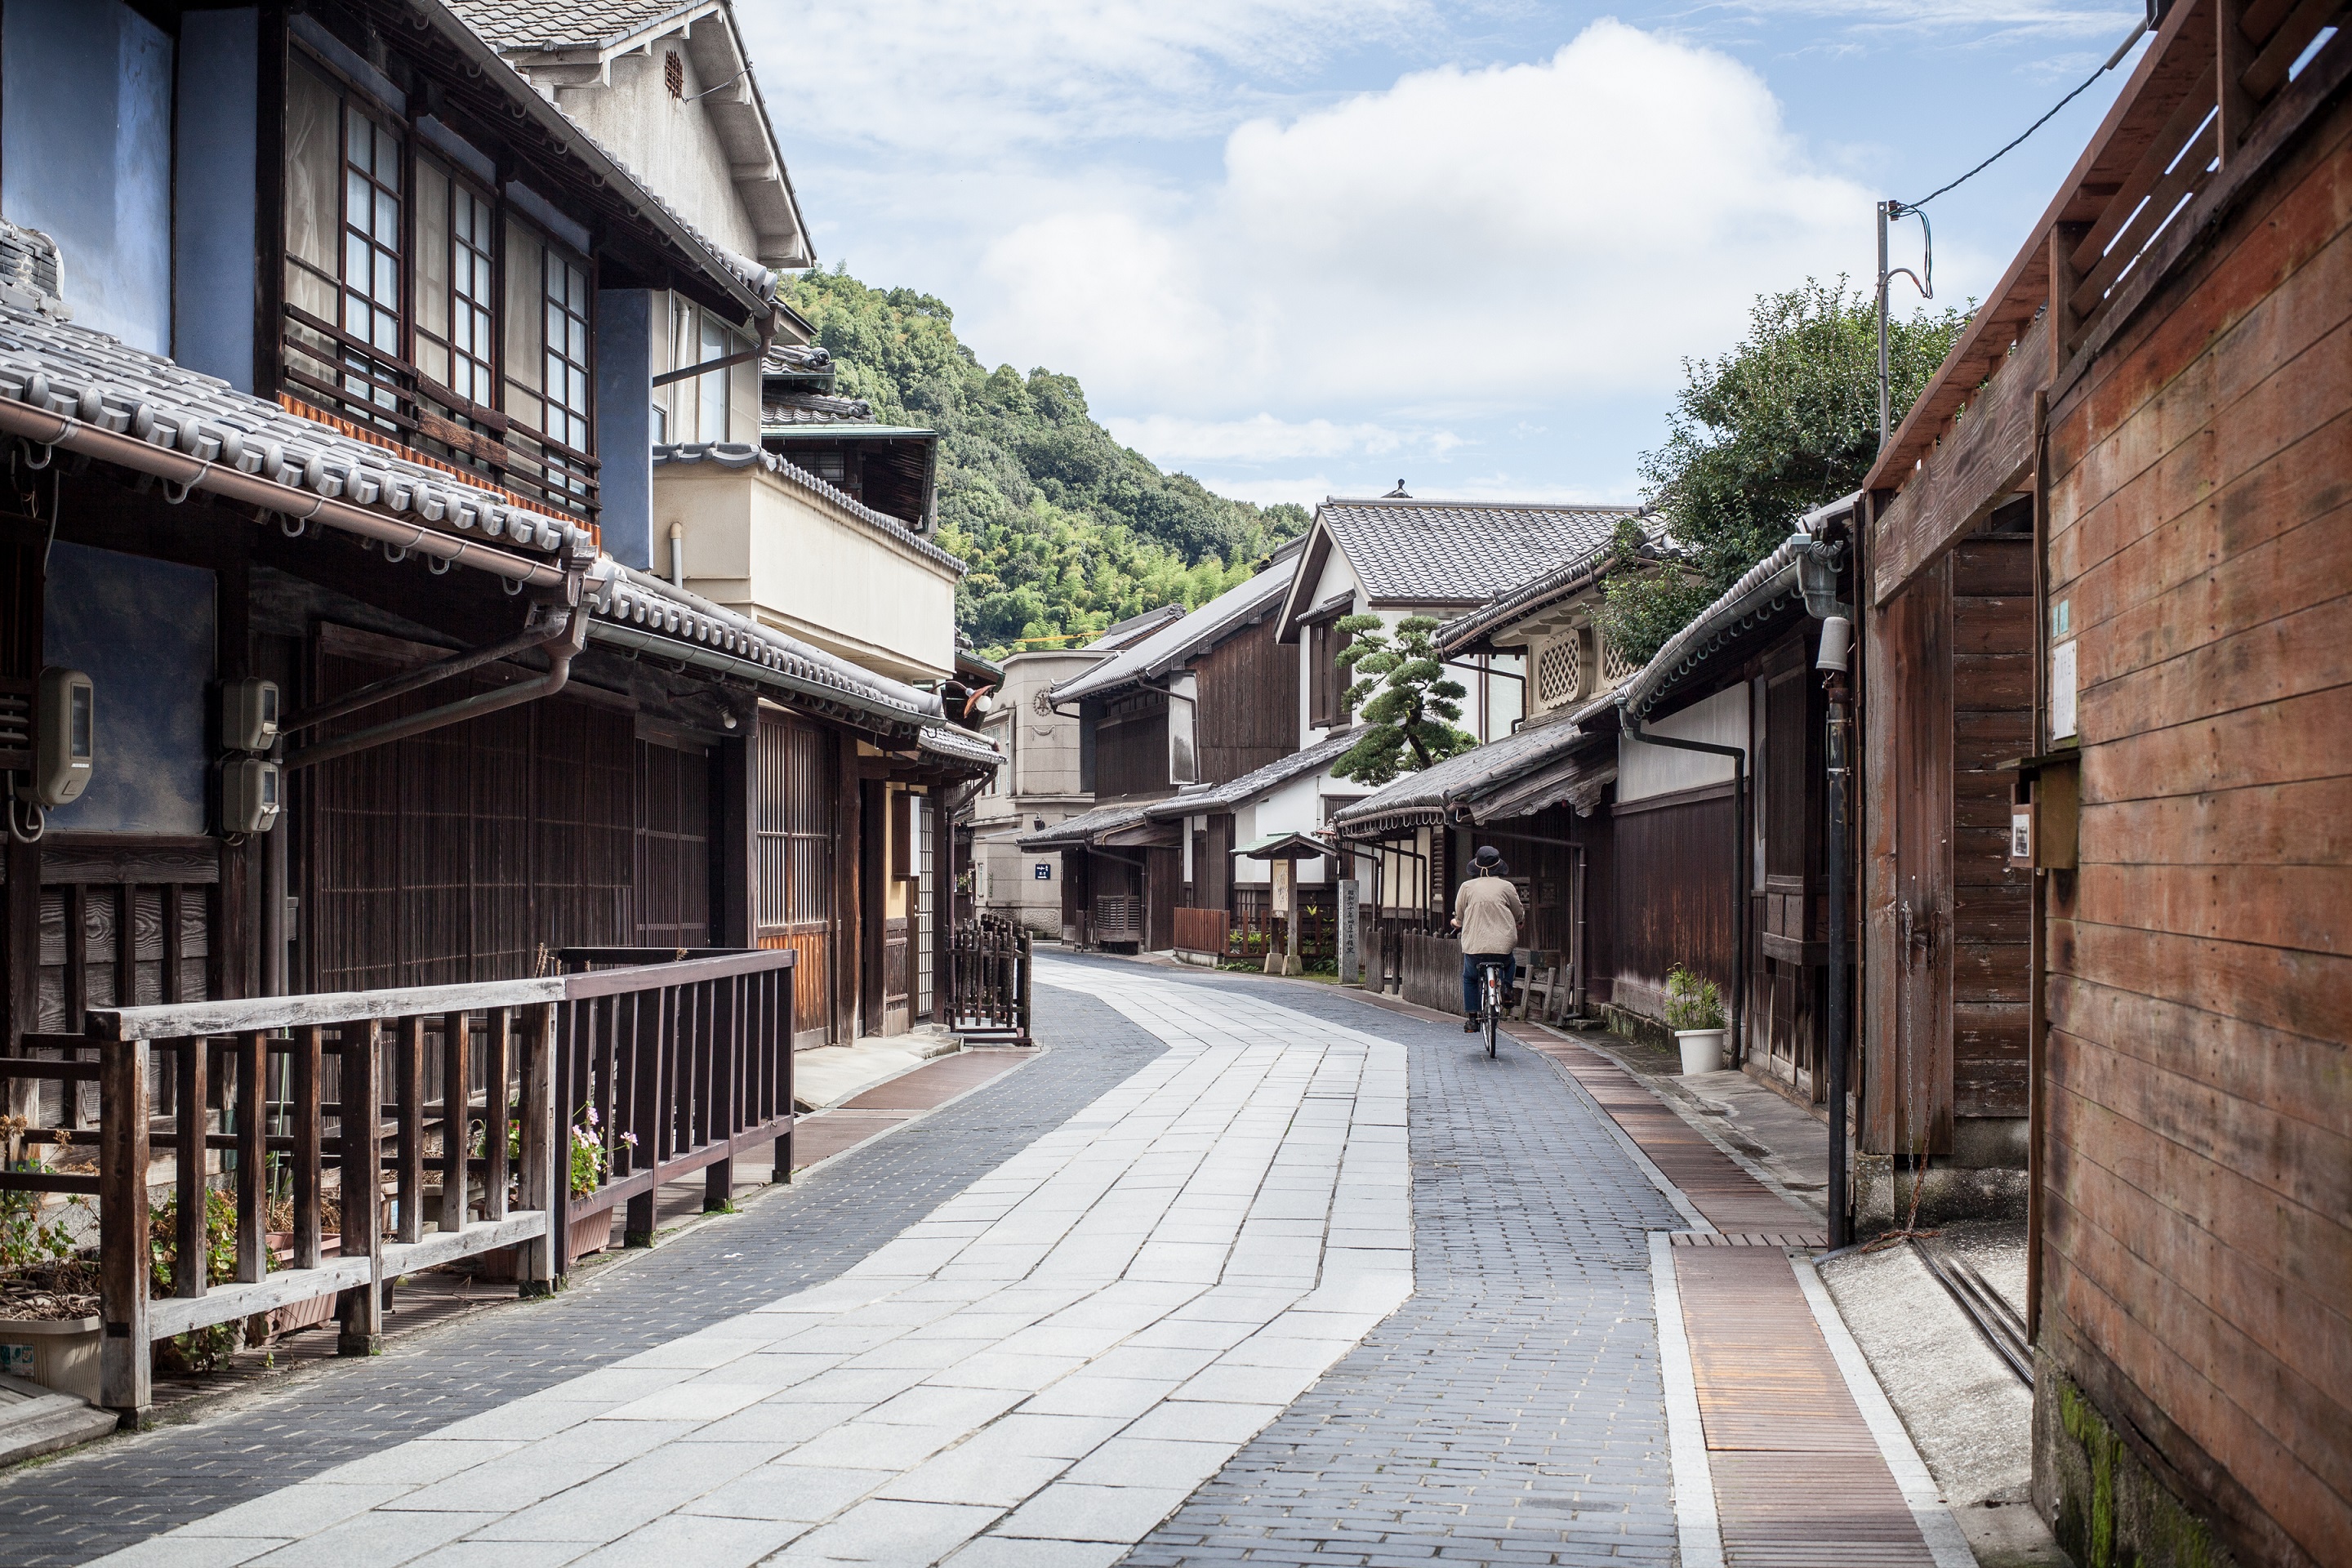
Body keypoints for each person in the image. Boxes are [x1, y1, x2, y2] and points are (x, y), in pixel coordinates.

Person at [1450, 845, 1524, 1031]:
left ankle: (1472, 1019)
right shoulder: (1506, 887)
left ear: (1477, 866)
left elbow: (1460, 916)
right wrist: (1520, 921)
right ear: (1498, 867)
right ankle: (1507, 988)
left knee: (1469, 978)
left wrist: (1457, 922)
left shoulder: (1466, 887)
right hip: (1502, 946)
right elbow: (1518, 911)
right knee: (1509, 962)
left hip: (1475, 948)